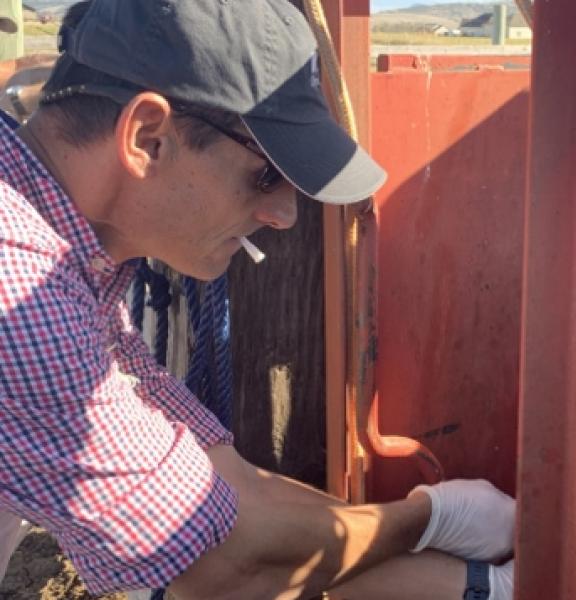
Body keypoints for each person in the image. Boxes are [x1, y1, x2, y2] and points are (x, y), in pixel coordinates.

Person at [0, 1, 516, 598]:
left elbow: (227, 485)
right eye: (266, 175)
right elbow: (212, 562)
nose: (282, 215)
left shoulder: (74, 253)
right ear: (147, 138)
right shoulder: (18, 282)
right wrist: (428, 520)